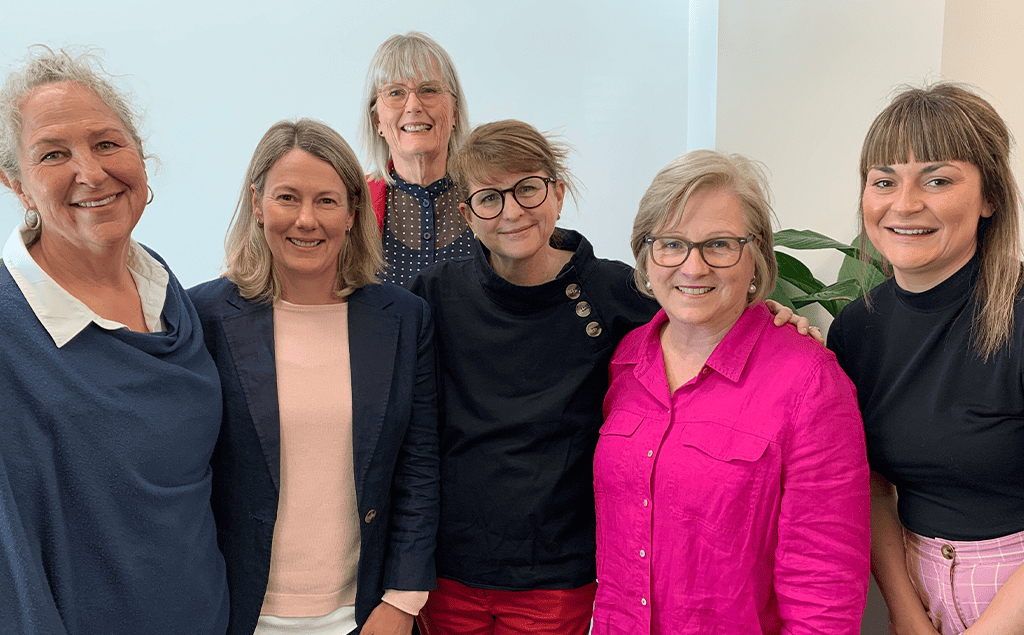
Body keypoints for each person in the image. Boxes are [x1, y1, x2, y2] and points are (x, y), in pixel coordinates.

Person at [408, 121, 816, 635]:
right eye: (490, 198)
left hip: (557, 573)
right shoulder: (433, 295)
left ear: (558, 193)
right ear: (467, 214)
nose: (511, 211)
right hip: (450, 568)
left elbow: (698, 309)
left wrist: (769, 314)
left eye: (528, 188)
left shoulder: (615, 291)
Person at [593, 149, 871, 634]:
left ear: (756, 253)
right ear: (646, 254)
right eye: (671, 244)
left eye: (719, 245)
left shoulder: (810, 383)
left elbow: (823, 588)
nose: (693, 267)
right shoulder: (626, 360)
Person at [0, 48, 228, 634]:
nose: (92, 172)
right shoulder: (9, 325)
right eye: (54, 154)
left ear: (139, 154)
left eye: (106, 143)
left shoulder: (167, 290)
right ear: (16, 183)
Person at [189, 119, 439, 635]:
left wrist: (402, 600)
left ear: (353, 211)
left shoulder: (403, 317)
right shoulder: (203, 316)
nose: (306, 220)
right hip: (236, 612)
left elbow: (419, 466)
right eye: (287, 198)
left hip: (363, 615)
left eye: (326, 201)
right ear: (257, 204)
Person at [828, 83, 1024, 635]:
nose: (905, 204)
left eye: (937, 180)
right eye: (884, 181)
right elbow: (872, 488)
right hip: (922, 597)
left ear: (989, 198)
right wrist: (907, 614)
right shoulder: (856, 331)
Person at [360, 31, 474, 286]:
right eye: (395, 93)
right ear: (377, 120)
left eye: (429, 90)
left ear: (454, 113)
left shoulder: (489, 195)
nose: (413, 106)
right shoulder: (353, 205)